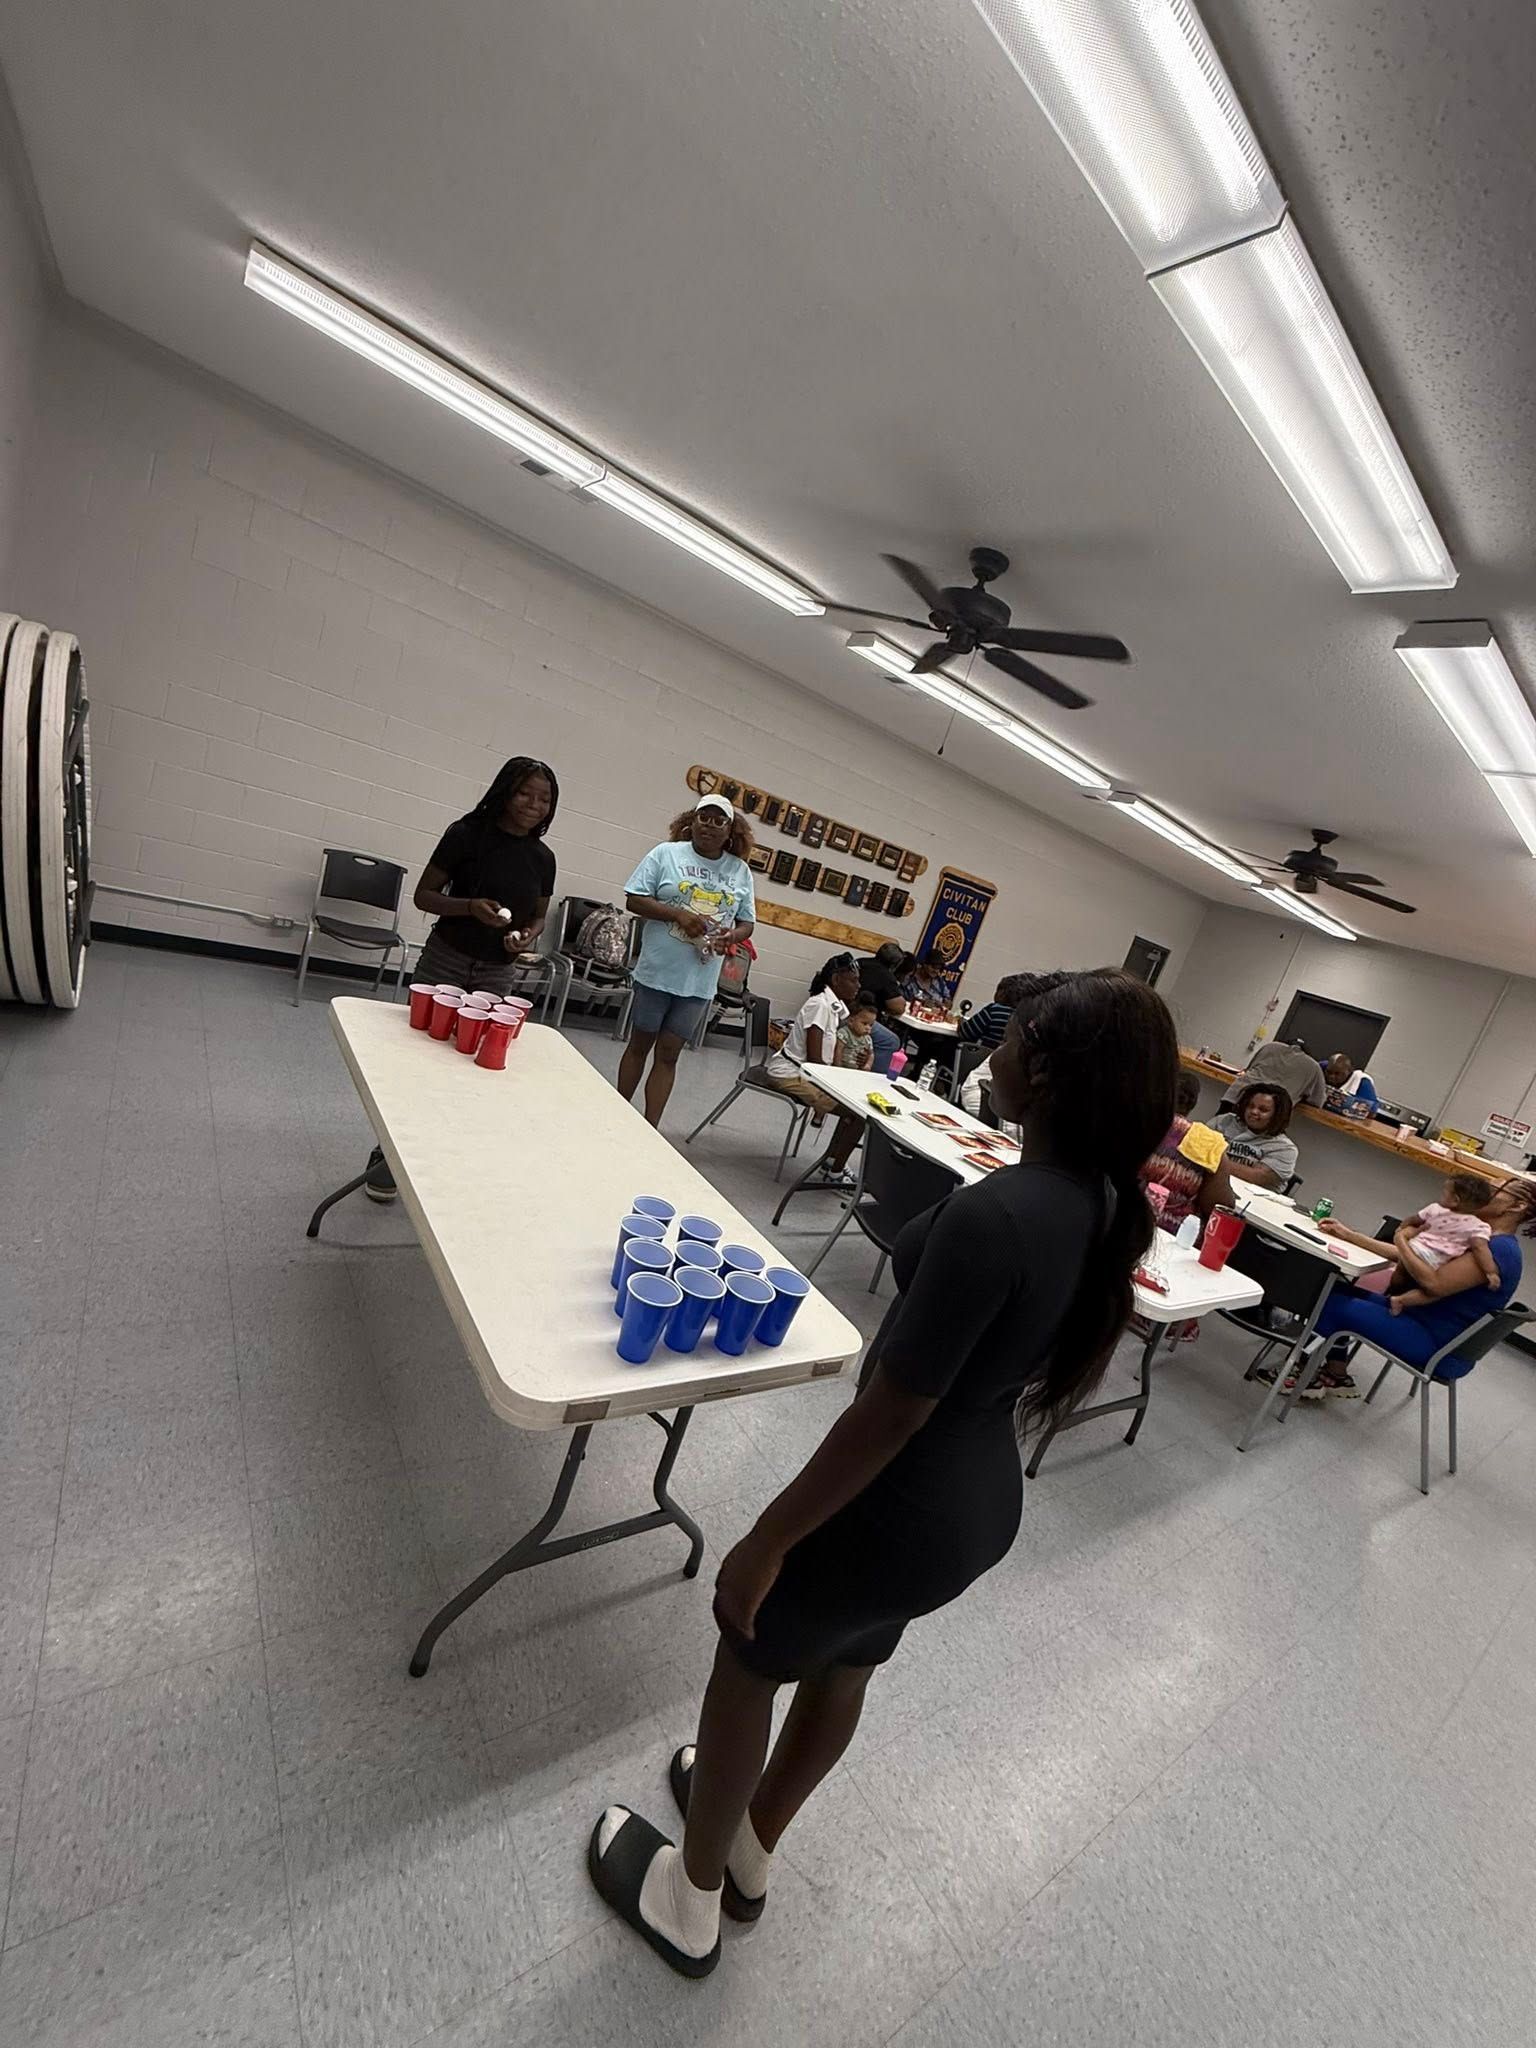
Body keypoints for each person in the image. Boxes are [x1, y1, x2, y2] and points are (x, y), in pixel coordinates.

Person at [587, 969, 1177, 1979]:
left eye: (1012, 1034)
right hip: (971, 1509)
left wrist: (767, 1539)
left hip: (897, 1497)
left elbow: (891, 1413)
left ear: (1045, 1070)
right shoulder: (1102, 1205)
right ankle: (750, 1846)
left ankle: (689, 1899)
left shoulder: (999, 1215)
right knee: (844, 1664)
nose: (993, 1044)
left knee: (748, 1652)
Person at [364, 756, 558, 1203]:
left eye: (544, 799)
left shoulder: (543, 858)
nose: (534, 805)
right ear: (504, 792)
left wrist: (527, 935)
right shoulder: (466, 834)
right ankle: (386, 1156)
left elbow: (539, 916)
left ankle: (442, 1155)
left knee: (473, 1067)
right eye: (525, 793)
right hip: (446, 961)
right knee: (418, 1063)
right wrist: (468, 906)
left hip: (497, 972)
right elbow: (424, 896)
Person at [1292, 1178, 1536, 1397]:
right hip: (1418, 1318)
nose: (1481, 1193)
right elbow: (1418, 1258)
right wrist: (1349, 1235)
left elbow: (1434, 1283)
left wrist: (1401, 1238)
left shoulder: (1499, 1250)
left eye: (1493, 1189)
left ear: (1517, 1206)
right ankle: (1336, 1374)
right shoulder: (1479, 1235)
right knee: (1334, 1290)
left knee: (1329, 1303)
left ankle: (1303, 1376)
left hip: (1435, 1342)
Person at [617, 796, 756, 1127]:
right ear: (691, 821)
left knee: (669, 1055)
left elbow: (747, 923)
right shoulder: (666, 854)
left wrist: (731, 937)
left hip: (698, 982)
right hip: (656, 973)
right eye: (703, 817)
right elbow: (634, 900)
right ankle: (617, 1115)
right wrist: (678, 914)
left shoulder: (740, 870)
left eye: (719, 821)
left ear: (730, 831)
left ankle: (650, 1128)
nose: (710, 825)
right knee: (639, 1045)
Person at [761, 955, 867, 1189]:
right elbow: (815, 1061)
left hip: (808, 1072)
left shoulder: (834, 1007)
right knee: (859, 1116)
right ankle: (834, 1171)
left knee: (856, 1109)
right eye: (853, 980)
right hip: (790, 1073)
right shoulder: (819, 1006)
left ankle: (831, 1162)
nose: (858, 986)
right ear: (836, 980)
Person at [1387, 1173, 1500, 1311]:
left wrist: (1402, 1227)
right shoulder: (1479, 1226)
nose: (1441, 1196)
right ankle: (1401, 1301)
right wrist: (1490, 1272)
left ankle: (1390, 1293)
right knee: (1434, 1293)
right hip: (1434, 1261)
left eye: (1444, 1193)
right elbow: (1480, 1248)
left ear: (1455, 1200)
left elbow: (1413, 1220)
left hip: (1414, 1247)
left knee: (1400, 1273)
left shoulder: (1435, 1209)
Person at [1141, 1071, 1236, 1227]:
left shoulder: (1136, 1121)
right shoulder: (1208, 1142)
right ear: (1193, 1103)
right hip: (1174, 1230)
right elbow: (1218, 1206)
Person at [1211, 1084, 1298, 1190]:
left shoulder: (1285, 1148)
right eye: (1250, 1106)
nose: (1254, 1112)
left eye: (1263, 1110)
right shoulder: (1223, 1121)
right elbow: (1196, 1147)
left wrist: (1210, 1160)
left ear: (1277, 1115)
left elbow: (1255, 1177)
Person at [1223, 1038, 1326, 1113]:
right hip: (1266, 1112)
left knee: (1217, 1131)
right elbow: (1317, 1101)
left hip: (1236, 1097)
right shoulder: (1314, 1067)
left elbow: (1248, 1070)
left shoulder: (1270, 1047)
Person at [852, 941, 908, 1075]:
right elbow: (898, 1008)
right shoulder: (886, 976)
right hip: (855, 1016)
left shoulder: (860, 962)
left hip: (844, 1009)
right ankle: (873, 1076)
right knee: (891, 1041)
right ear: (895, 965)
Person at [958, 971, 1035, 1050]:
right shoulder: (1026, 1017)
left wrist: (961, 1022)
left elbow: (966, 1033)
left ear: (1001, 993)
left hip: (985, 1056)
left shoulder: (994, 1010)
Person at [834, 992, 879, 1072]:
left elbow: (871, 1054)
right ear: (851, 1021)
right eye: (864, 1024)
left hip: (856, 1070)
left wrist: (868, 1065)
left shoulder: (867, 1039)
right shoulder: (844, 1033)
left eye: (871, 1025)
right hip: (842, 1068)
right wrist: (838, 1067)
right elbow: (838, 1051)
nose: (868, 1028)